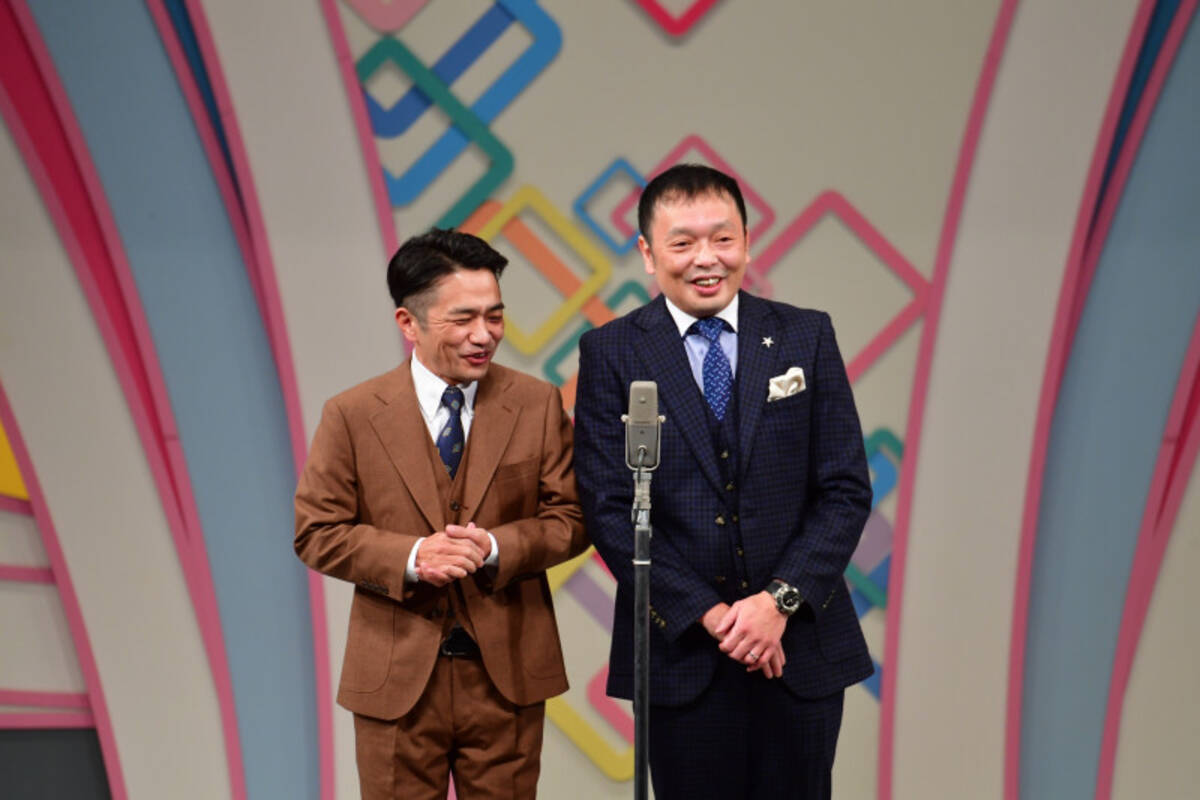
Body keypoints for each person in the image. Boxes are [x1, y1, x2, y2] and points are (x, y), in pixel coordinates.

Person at [573, 164, 874, 798]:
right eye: (683, 243)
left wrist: (775, 604)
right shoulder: (612, 351)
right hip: (682, 656)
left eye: (723, 239)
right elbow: (609, 508)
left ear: (747, 242)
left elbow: (844, 490)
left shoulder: (804, 334)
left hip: (799, 648)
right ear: (648, 254)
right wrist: (713, 617)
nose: (706, 259)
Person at [294, 228, 587, 799]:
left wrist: (496, 547)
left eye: (495, 316)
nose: (484, 335)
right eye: (464, 319)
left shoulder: (536, 403)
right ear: (408, 323)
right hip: (394, 680)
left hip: (508, 675)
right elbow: (316, 531)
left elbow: (571, 519)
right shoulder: (352, 414)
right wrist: (412, 556)